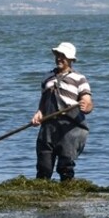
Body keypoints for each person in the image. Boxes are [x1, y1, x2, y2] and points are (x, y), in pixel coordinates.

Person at [31, 42, 93, 182]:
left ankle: (67, 195)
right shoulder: (47, 77)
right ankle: (40, 195)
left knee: (65, 166)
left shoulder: (79, 78)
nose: (59, 58)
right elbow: (43, 101)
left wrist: (86, 107)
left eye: (63, 56)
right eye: (58, 55)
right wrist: (39, 113)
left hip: (70, 127)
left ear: (70, 59)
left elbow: (88, 101)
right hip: (48, 125)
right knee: (44, 166)